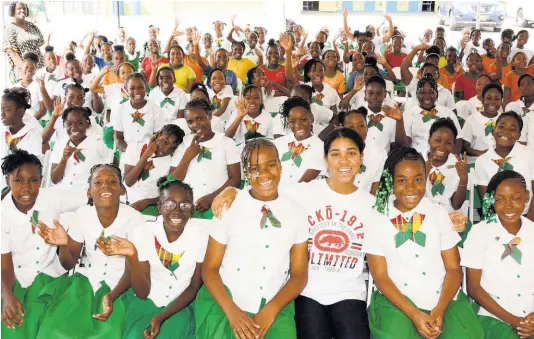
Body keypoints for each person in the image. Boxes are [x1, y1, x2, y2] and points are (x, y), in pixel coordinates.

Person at [365, 147, 484, 338]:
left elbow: (453, 269)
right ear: (390, 181)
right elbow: (380, 276)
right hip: (397, 298)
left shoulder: (437, 213)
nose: (411, 188)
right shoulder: (377, 217)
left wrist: (440, 309)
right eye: (402, 180)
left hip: (443, 297)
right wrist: (414, 314)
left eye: (418, 179)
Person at [197, 138, 309, 339]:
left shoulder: (296, 213)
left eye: (271, 165)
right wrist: (233, 314)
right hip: (227, 303)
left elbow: (299, 274)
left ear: (280, 166)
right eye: (255, 168)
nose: (264, 174)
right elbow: (210, 269)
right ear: (246, 173)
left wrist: (271, 311)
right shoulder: (229, 207)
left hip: (274, 305)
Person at [36, 164, 144, 338]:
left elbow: (134, 268)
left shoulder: (135, 219)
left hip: (120, 287)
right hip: (85, 282)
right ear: (89, 191)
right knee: (53, 330)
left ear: (121, 189)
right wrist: (64, 244)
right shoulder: (83, 214)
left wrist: (112, 295)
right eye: (98, 182)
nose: (105, 186)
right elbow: (69, 263)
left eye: (112, 182)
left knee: (110, 332)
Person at [0, 150, 87, 339]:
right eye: (18, 180)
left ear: (41, 180)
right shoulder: (2, 214)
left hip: (50, 274)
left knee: (45, 327)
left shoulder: (51, 198)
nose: (26, 188)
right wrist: (7, 296)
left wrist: (113, 190)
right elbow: (5, 264)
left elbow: (88, 195)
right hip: (16, 278)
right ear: (8, 181)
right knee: (13, 327)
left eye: (33, 180)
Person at [120, 176, 208, 339]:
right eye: (169, 204)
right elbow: (142, 292)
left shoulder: (201, 235)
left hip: (179, 305)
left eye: (184, 205)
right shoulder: (143, 232)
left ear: (192, 209)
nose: (177, 210)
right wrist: (132, 257)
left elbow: (194, 286)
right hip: (146, 303)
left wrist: (162, 317)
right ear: (159, 207)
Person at [462, 170, 534, 339]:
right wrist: (513, 321)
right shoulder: (480, 233)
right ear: (491, 201)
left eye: (516, 198)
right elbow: (474, 288)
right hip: (493, 315)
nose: (508, 206)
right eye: (500, 199)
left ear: (527, 197)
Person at [171, 99, 241, 219]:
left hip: (218, 203)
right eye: (190, 122)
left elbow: (235, 178)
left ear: (209, 115)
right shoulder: (184, 145)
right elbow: (172, 181)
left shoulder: (226, 143)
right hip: (188, 208)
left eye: (200, 118)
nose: (195, 125)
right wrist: (187, 157)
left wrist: (211, 197)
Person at [474, 111, 534, 220]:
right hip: (496, 216)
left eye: (512, 129)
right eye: (501, 127)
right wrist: (497, 223)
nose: (506, 132)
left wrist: (529, 222)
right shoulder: (482, 161)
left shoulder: (528, 154)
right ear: (493, 130)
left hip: (526, 216)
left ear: (519, 135)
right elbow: (486, 199)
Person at [124, 125, 184, 216]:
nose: (165, 150)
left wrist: (147, 202)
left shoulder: (170, 163)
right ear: (158, 135)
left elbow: (169, 194)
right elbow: (128, 182)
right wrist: (146, 154)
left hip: (149, 207)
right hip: (126, 202)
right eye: (165, 142)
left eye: (172, 148)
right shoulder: (135, 148)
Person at [50, 106, 110, 190]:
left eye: (80, 123)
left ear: (88, 124)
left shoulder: (98, 143)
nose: (74, 127)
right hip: (64, 192)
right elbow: (54, 180)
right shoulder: (60, 144)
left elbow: (112, 166)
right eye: (69, 124)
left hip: (88, 194)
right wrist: (64, 159)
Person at [272, 97, 324, 189]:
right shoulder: (278, 143)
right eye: (292, 121)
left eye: (303, 120)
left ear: (311, 118)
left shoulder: (321, 147)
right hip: (277, 194)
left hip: (303, 197)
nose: (297, 126)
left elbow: (305, 181)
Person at [403, 76, 462, 156]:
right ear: (416, 94)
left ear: (437, 94)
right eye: (422, 92)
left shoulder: (447, 113)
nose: (427, 97)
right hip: (418, 159)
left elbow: (458, 140)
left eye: (431, 92)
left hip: (444, 158)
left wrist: (448, 158)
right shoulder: (408, 115)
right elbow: (405, 144)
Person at [425, 118, 468, 215]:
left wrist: (464, 179)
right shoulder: (418, 161)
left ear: (453, 145)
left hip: (449, 214)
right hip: (423, 213)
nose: (442, 146)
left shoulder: (457, 164)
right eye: (438, 140)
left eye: (448, 143)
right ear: (429, 140)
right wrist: (423, 176)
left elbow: (456, 205)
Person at [338, 107, 386, 195]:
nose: (357, 131)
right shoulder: (335, 151)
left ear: (367, 127)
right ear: (342, 128)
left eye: (361, 126)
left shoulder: (378, 152)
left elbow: (376, 186)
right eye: (351, 127)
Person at [114, 73, 166, 153]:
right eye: (132, 88)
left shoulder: (156, 110)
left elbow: (158, 138)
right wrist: (130, 152)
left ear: (146, 87)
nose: (137, 91)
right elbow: (118, 137)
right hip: (128, 153)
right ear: (126, 89)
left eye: (140, 87)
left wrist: (146, 153)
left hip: (150, 153)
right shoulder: (121, 109)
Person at [3, 1, 45, 83]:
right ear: (13, 11)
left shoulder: (32, 26)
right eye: (19, 8)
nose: (22, 10)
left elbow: (41, 45)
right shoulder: (10, 28)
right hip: (23, 72)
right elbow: (12, 53)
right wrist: (27, 71)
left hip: (39, 68)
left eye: (24, 8)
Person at [462, 84, 504, 164]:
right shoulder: (472, 119)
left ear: (501, 101)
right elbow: (465, 146)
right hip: (476, 162)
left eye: (497, 99)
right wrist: (480, 153)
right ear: (482, 100)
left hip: (498, 162)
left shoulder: (504, 119)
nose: (492, 102)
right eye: (488, 98)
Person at [1, 88, 42, 159]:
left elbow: (33, 166)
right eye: (1, 109)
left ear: (20, 111)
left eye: (7, 110)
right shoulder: (2, 132)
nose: (2, 114)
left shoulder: (32, 135)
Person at [11, 53, 46, 122]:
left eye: (32, 69)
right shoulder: (14, 87)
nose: (29, 70)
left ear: (35, 72)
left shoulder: (38, 86)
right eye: (26, 67)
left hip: (35, 122)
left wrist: (29, 122)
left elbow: (43, 110)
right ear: (22, 68)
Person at [505, 74, 534, 144]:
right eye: (522, 85)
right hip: (516, 148)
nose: (525, 87)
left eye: (529, 84)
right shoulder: (512, 107)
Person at [206, 68, 234, 133]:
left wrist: (209, 120)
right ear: (209, 82)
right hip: (211, 124)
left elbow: (222, 108)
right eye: (214, 78)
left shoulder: (228, 88)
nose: (217, 81)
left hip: (225, 123)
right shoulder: (207, 91)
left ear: (225, 81)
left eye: (221, 78)